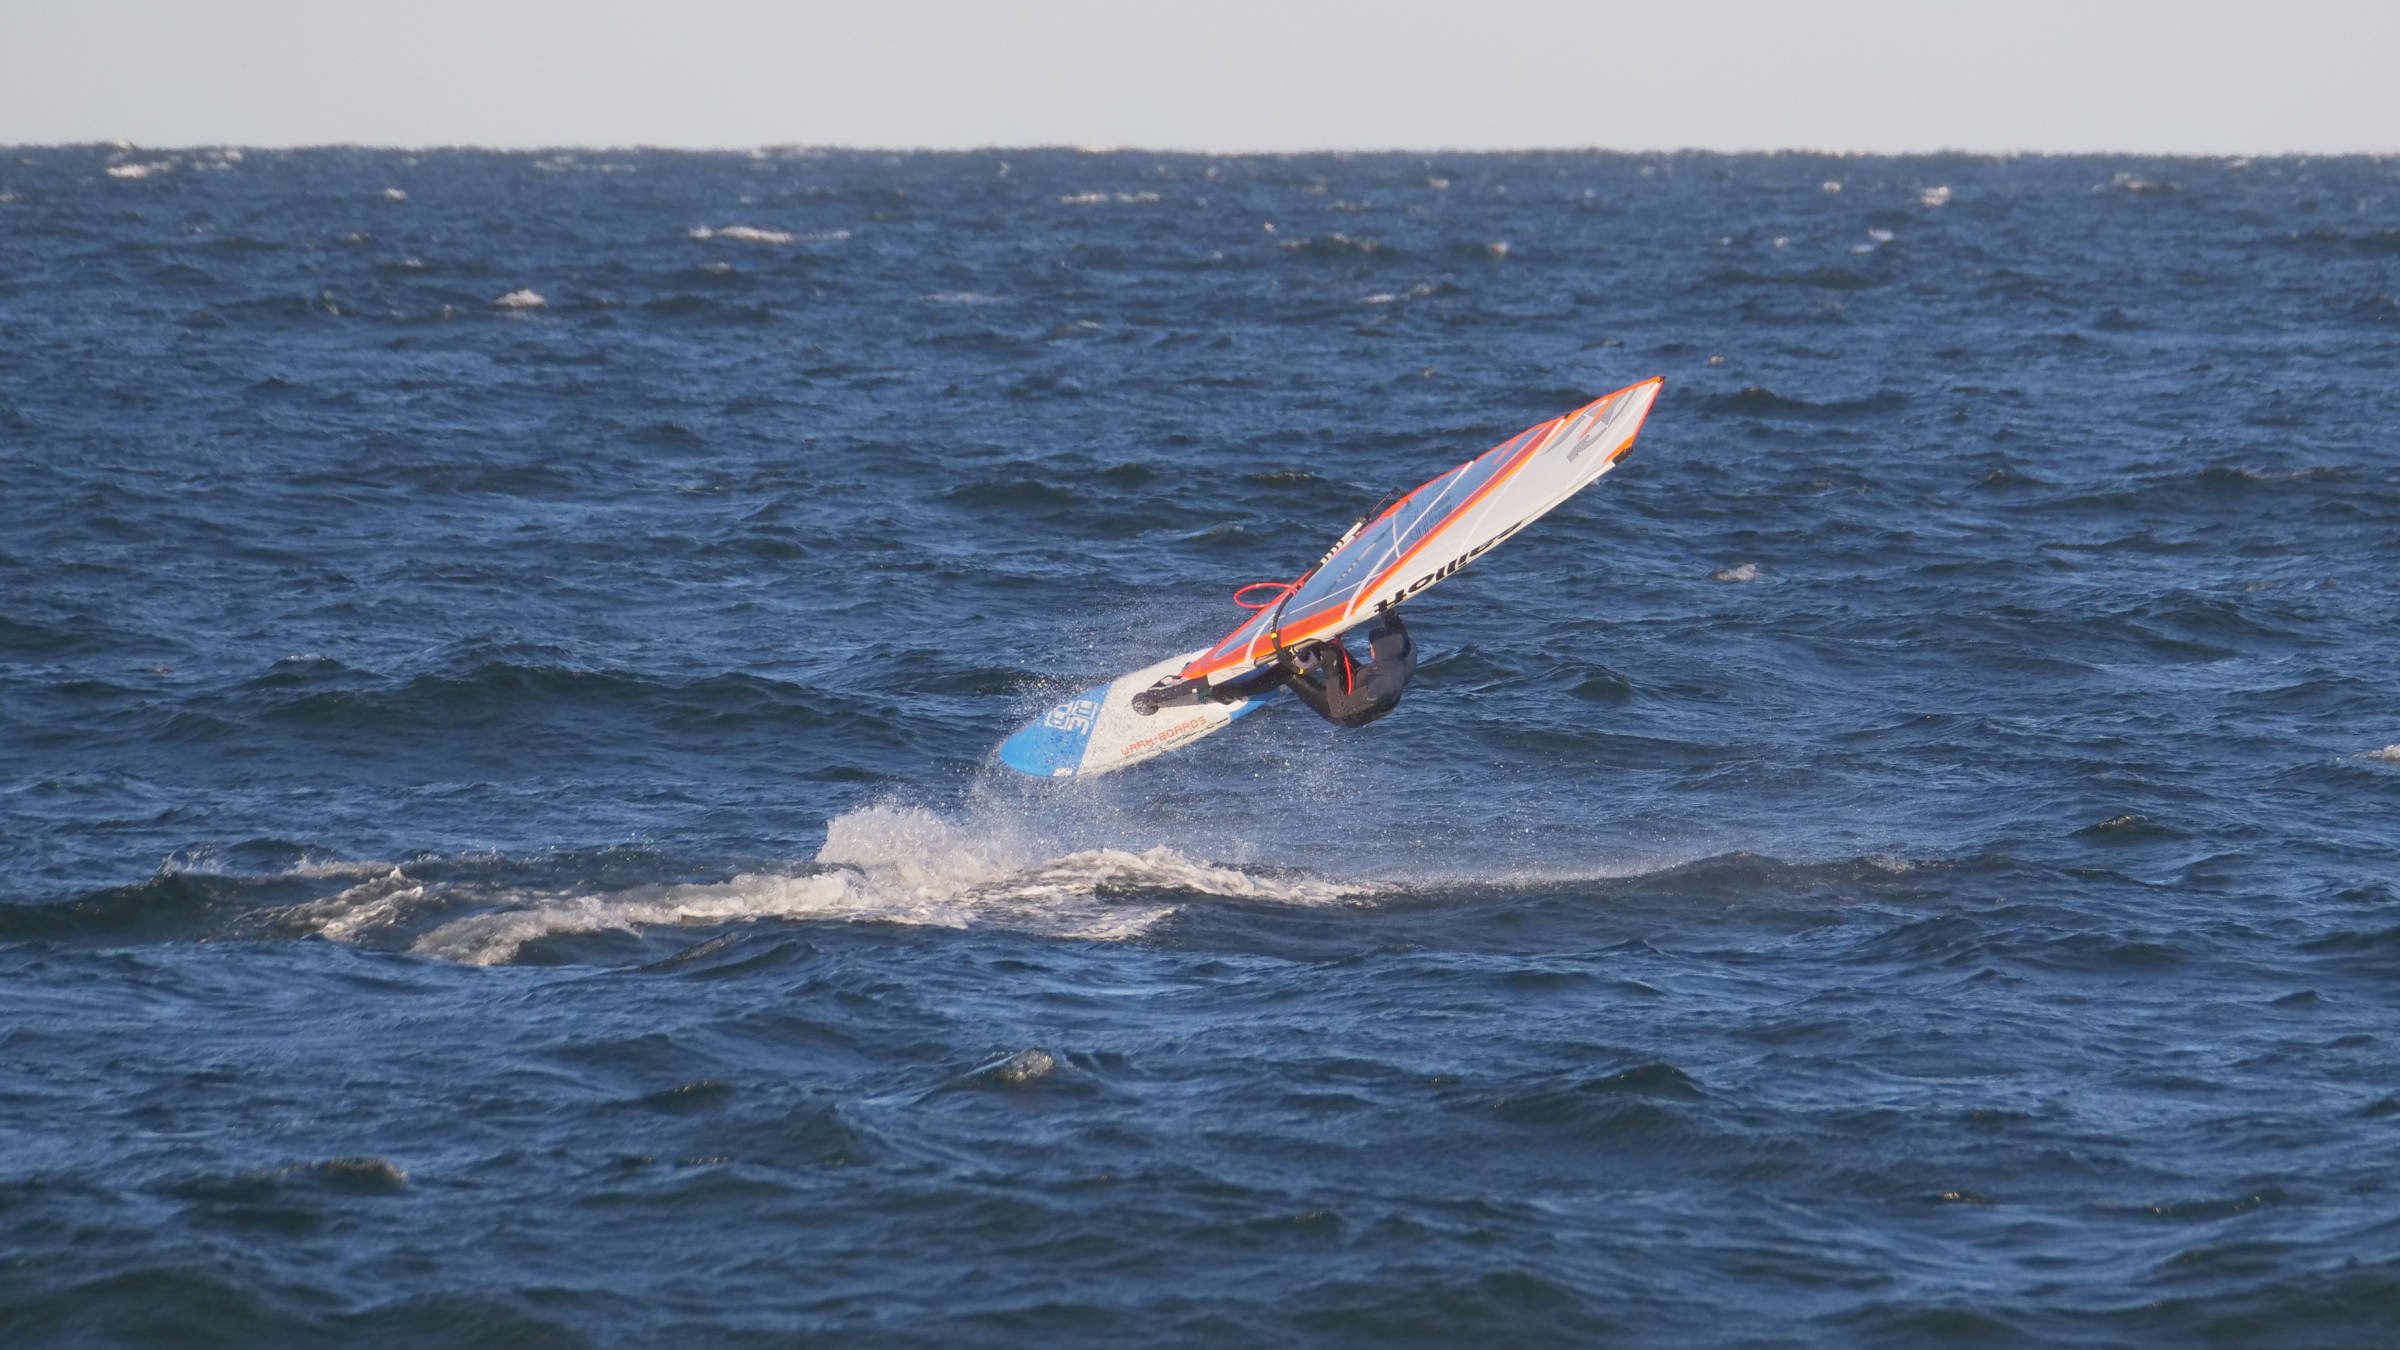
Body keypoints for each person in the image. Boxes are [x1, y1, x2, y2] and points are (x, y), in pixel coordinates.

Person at [1133, 612, 1416, 729]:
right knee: (1325, 645)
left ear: (1376, 653)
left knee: (1288, 674)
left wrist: (1330, 671)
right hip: (1363, 682)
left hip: (1351, 712)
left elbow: (1340, 708)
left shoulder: (1384, 685)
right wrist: (1384, 606)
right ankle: (1301, 660)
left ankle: (1227, 691)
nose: (1369, 650)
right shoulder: (1404, 647)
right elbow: (1392, 619)